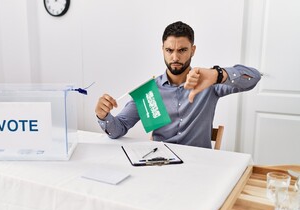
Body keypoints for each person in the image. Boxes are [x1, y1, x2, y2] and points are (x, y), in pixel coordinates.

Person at [95, 21, 261, 149]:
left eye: (182, 50)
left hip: (200, 167)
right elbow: (119, 128)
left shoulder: (208, 82)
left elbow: (253, 78)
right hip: (160, 164)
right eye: (169, 50)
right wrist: (103, 116)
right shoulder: (149, 91)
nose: (175, 57)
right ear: (163, 50)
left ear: (193, 50)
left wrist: (218, 74)